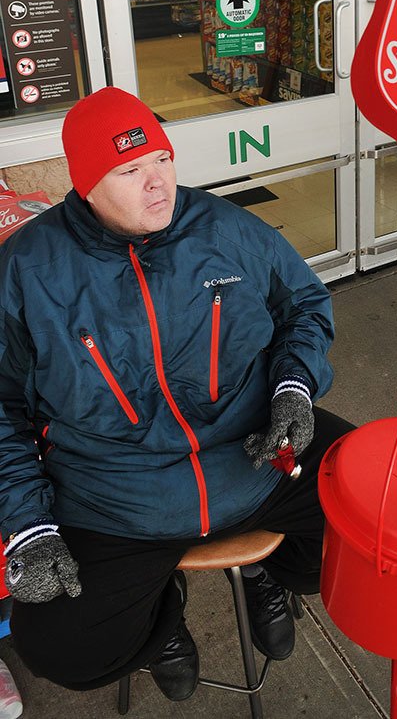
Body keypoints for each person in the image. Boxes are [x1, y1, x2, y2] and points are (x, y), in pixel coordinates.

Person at [0, 87, 352, 701]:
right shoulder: (28, 271)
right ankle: (161, 621)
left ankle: (268, 571)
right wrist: (28, 525)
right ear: (85, 183)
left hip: (255, 455)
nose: (157, 182)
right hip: (117, 497)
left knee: (372, 516)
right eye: (129, 170)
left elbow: (304, 306)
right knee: (58, 644)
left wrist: (294, 388)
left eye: (161, 159)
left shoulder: (225, 228)